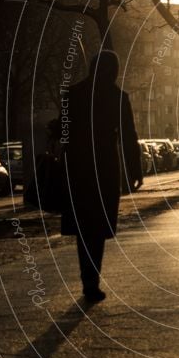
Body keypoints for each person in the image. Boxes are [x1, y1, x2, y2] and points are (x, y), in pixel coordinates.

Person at [61, 50, 143, 303]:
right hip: (105, 168)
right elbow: (128, 136)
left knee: (84, 226)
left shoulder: (72, 94)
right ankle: (91, 280)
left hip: (77, 168)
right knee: (97, 226)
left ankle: (89, 279)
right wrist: (134, 170)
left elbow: (63, 134)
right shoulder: (118, 97)